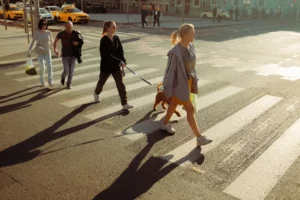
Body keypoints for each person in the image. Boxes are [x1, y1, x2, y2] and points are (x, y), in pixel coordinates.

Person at [161, 24, 212, 147]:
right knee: (190, 109)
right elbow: (170, 71)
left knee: (173, 105)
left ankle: (165, 123)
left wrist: (194, 79)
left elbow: (192, 66)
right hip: (179, 85)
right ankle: (199, 137)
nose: (194, 34)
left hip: (189, 83)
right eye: (192, 33)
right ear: (184, 35)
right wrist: (167, 90)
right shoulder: (175, 52)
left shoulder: (191, 46)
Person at [93, 21, 133, 110]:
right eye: (113, 27)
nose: (115, 28)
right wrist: (119, 61)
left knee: (121, 85)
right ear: (108, 28)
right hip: (106, 66)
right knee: (101, 83)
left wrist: (123, 61)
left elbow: (120, 51)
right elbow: (106, 55)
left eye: (115, 27)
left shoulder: (116, 38)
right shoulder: (103, 40)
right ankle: (96, 93)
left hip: (116, 67)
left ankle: (124, 103)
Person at [28, 19, 54, 88]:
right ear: (40, 24)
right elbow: (33, 42)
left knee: (49, 66)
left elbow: (52, 42)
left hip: (47, 52)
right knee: (42, 68)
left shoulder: (49, 32)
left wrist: (55, 49)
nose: (44, 26)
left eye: (45, 24)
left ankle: (50, 81)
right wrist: (29, 50)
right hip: (40, 53)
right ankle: (42, 82)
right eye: (43, 24)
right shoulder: (37, 32)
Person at [54, 21, 79, 89]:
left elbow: (81, 40)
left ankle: (68, 83)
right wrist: (55, 49)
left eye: (70, 28)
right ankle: (63, 76)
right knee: (66, 70)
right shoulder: (61, 33)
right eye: (67, 28)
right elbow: (55, 41)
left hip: (73, 55)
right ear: (65, 27)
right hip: (65, 55)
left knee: (71, 71)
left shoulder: (75, 33)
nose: (69, 29)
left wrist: (77, 43)